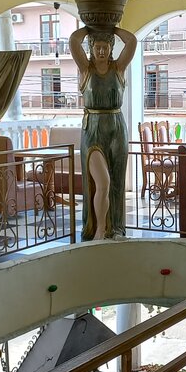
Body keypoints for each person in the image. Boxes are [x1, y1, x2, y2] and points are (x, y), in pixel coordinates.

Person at [68, 27, 137, 240]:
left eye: (105, 47)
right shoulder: (86, 69)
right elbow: (73, 41)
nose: (101, 51)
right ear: (91, 48)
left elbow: (132, 41)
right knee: (103, 182)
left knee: (116, 182)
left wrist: (112, 29)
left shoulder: (118, 68)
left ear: (110, 48)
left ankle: (114, 228)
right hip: (93, 130)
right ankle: (98, 230)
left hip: (117, 128)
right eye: (97, 47)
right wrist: (91, 28)